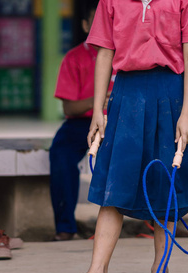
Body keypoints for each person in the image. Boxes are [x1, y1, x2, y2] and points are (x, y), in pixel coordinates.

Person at [57, 0, 188, 273]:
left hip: (171, 94)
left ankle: (160, 270)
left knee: (166, 186)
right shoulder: (110, 2)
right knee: (113, 184)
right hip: (126, 94)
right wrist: (98, 112)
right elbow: (104, 54)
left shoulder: (186, 0)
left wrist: (187, 114)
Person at [50, 0, 114, 242]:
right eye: (97, 22)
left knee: (151, 152)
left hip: (119, 122)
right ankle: (65, 227)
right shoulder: (74, 58)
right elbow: (69, 107)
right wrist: (97, 102)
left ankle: (160, 222)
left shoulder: (127, 56)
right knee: (60, 153)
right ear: (86, 25)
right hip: (83, 123)